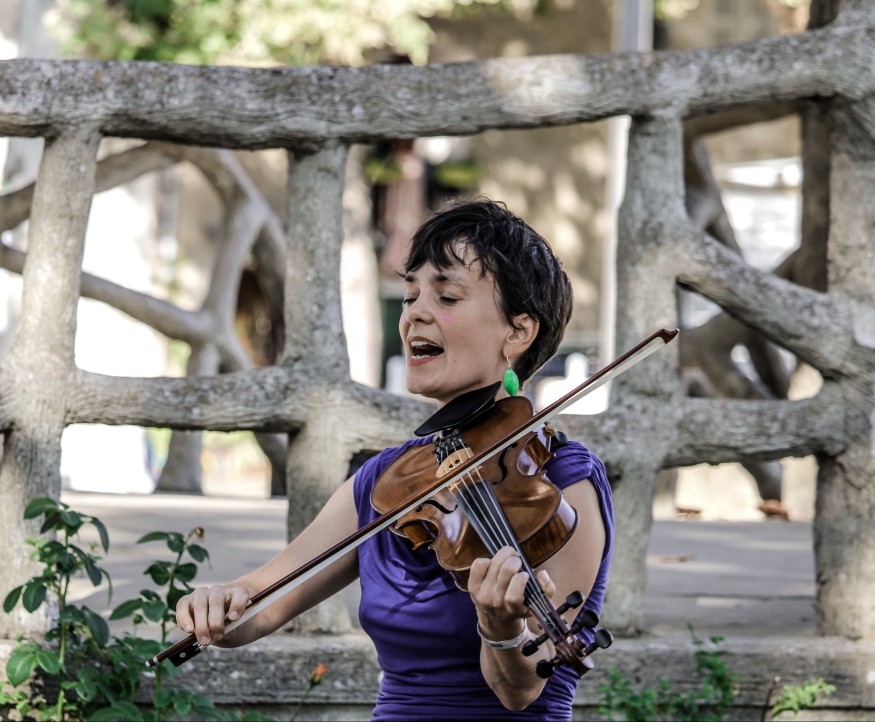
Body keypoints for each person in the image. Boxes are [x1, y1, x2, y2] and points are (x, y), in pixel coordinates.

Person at [176, 199, 615, 721]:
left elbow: (521, 691)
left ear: (518, 331)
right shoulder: (386, 482)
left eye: (446, 296)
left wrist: (501, 628)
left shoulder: (560, 482)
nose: (414, 315)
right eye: (410, 297)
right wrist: (218, 604)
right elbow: (261, 604)